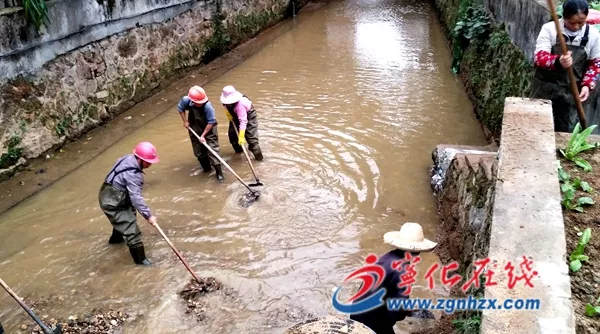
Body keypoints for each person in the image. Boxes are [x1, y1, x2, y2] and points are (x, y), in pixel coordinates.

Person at [349, 222, 437, 334]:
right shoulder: (403, 271)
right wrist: (404, 312)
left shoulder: (386, 258)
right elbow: (396, 310)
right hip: (372, 321)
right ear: (418, 251)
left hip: (356, 312)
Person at [530, 0, 600, 132]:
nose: (576, 26)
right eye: (572, 22)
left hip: (571, 93)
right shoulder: (550, 29)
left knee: (566, 130)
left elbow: (595, 64)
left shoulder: (593, 35)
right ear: (564, 17)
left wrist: (587, 85)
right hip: (545, 88)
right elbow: (539, 58)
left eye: (581, 22)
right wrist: (557, 62)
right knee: (539, 128)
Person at [98, 142, 159, 266]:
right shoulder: (134, 175)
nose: (150, 164)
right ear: (140, 159)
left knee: (127, 217)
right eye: (148, 161)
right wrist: (149, 216)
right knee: (132, 232)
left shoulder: (127, 158)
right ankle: (142, 263)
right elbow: (136, 198)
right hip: (113, 202)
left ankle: (115, 242)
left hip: (109, 193)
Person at [178, 85, 224, 182]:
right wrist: (185, 121)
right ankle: (207, 170)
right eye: (198, 103)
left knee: (212, 151)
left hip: (209, 130)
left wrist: (203, 136)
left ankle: (219, 174)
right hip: (194, 128)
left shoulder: (208, 107)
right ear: (192, 101)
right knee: (199, 152)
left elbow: (211, 122)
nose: (201, 104)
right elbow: (180, 109)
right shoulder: (186, 100)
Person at [220, 85, 263, 161]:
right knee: (233, 137)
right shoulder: (226, 101)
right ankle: (239, 153)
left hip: (249, 116)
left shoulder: (240, 105)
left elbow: (243, 121)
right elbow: (225, 105)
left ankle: (259, 159)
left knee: (252, 140)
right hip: (235, 117)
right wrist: (228, 113)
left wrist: (242, 136)